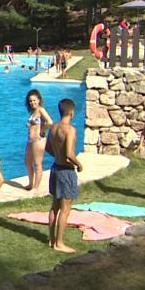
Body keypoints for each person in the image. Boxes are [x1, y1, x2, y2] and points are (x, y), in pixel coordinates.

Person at [45, 99, 84, 254]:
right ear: (71, 113)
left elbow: (48, 148)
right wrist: (79, 164)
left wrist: (58, 156)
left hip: (55, 168)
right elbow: (69, 154)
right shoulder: (70, 130)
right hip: (66, 171)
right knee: (65, 209)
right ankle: (59, 243)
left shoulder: (53, 128)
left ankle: (52, 239)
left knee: (55, 206)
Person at [23, 89, 53, 193]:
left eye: (34, 100)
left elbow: (49, 122)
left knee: (37, 164)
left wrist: (42, 130)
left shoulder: (41, 110)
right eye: (30, 101)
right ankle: (30, 183)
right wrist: (29, 125)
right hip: (30, 141)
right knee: (27, 162)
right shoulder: (32, 111)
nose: (32, 103)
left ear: (39, 100)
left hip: (38, 140)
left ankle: (36, 187)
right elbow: (35, 123)